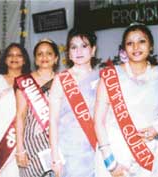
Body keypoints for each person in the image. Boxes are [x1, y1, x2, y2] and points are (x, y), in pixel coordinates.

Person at [94, 23, 158, 177]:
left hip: (152, 157)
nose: (136, 47)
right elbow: (98, 121)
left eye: (141, 41)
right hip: (117, 157)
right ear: (124, 48)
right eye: (130, 43)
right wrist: (111, 163)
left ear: (151, 46)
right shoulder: (110, 75)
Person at [49, 28, 100, 177]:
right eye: (74, 47)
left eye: (84, 46)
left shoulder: (102, 78)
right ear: (69, 53)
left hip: (97, 150)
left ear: (93, 50)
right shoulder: (61, 79)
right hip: (69, 151)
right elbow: (53, 120)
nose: (79, 51)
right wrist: (55, 156)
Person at [0, 43, 31, 176]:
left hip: (24, 139)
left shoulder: (30, 82)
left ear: (25, 60)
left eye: (19, 55)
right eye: (10, 55)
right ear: (5, 59)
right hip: (0, 138)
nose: (14, 58)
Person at [15, 39, 60, 177]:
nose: (44, 57)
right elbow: (20, 116)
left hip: (58, 141)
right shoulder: (25, 81)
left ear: (56, 58)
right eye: (40, 54)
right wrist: (20, 149)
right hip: (32, 144)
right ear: (35, 59)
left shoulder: (64, 81)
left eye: (49, 53)